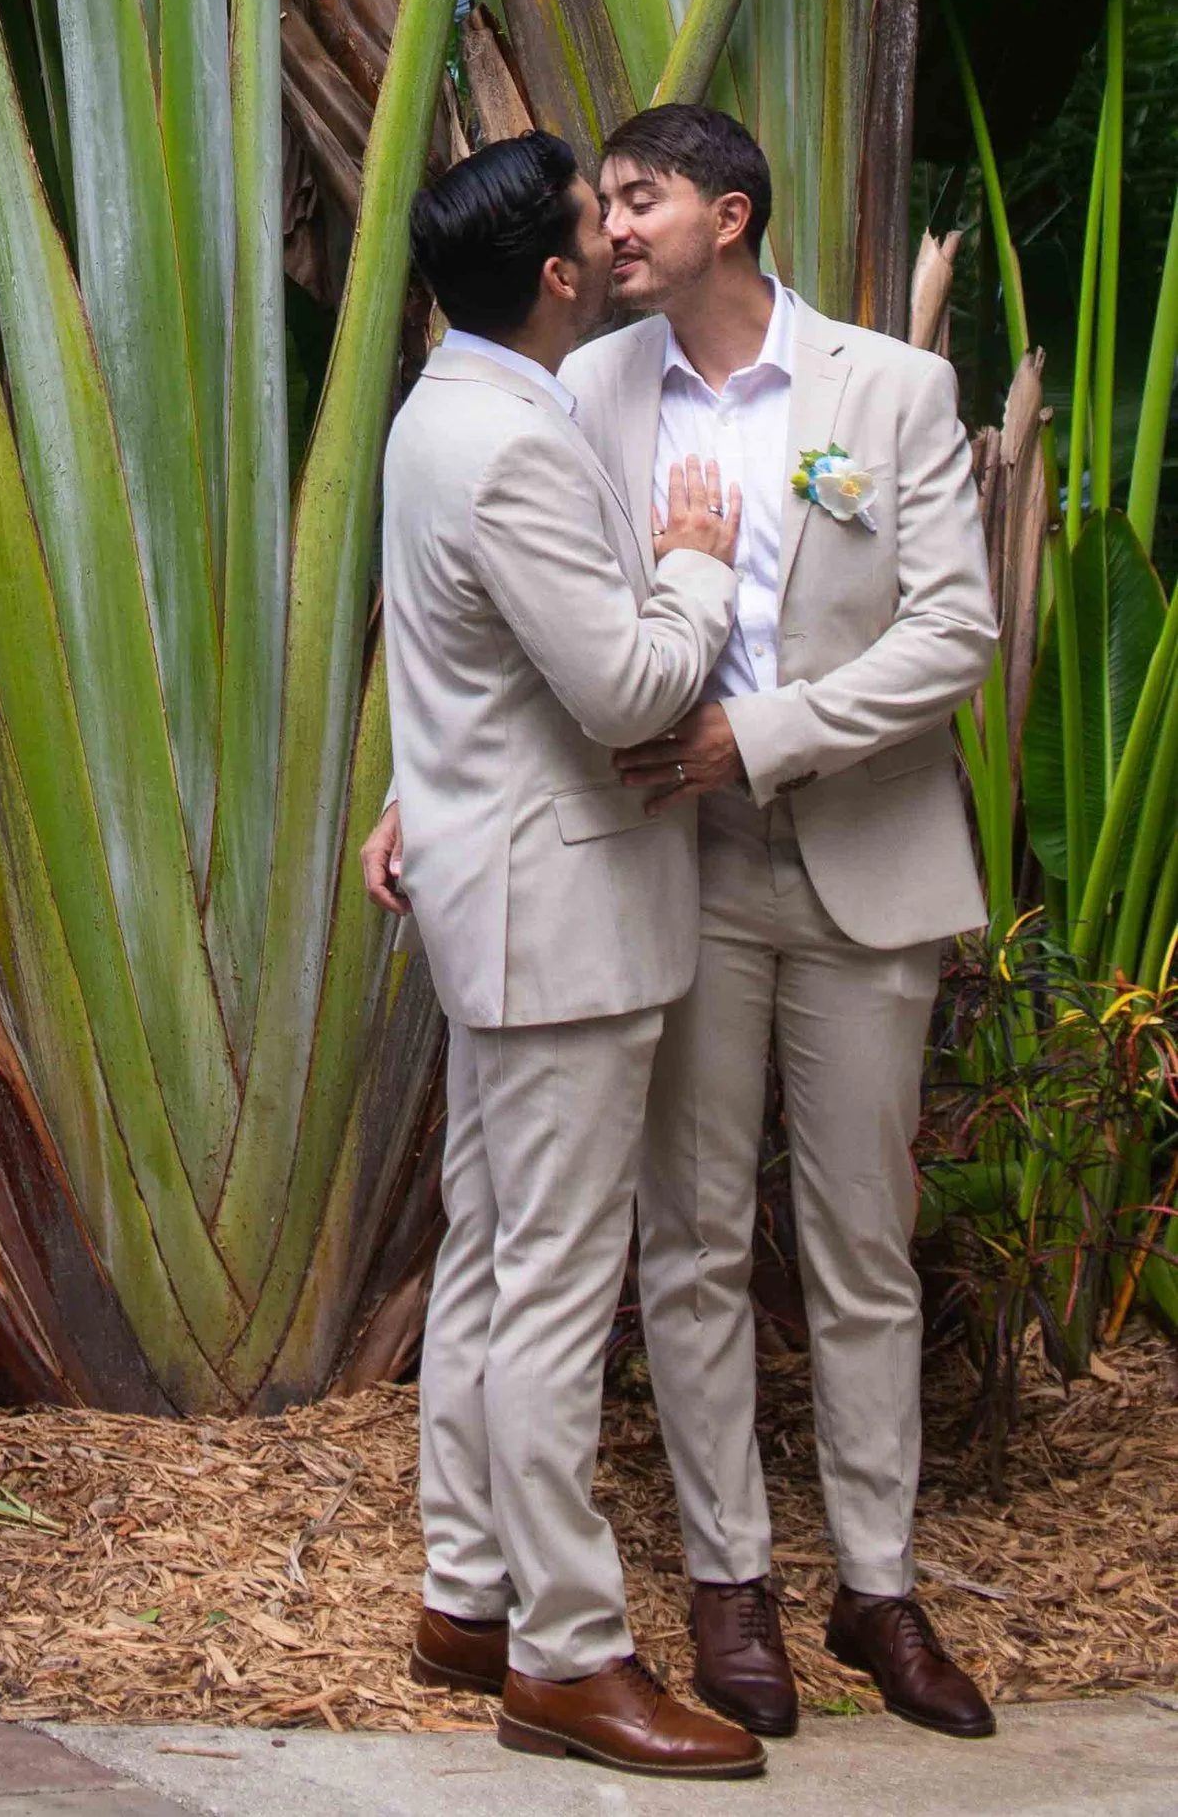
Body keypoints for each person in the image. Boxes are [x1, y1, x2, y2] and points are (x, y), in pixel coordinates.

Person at [565, 104, 999, 1743]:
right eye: (606, 200)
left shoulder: (889, 389)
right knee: (687, 1240)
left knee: (862, 1245)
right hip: (678, 866)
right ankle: (730, 1585)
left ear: (729, 214)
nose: (611, 225)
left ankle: (878, 1586)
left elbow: (953, 631)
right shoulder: (592, 391)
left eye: (640, 196)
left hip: (862, 863)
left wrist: (767, 729)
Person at [371, 130, 763, 1778]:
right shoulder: (510, 443)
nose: (613, 235)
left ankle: (469, 1590)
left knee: (489, 1256)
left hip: (496, 899)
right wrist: (692, 559)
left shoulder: (441, 405)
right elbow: (625, 690)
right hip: (565, 921)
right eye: (589, 225)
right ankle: (567, 1652)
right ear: (547, 274)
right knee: (547, 1286)